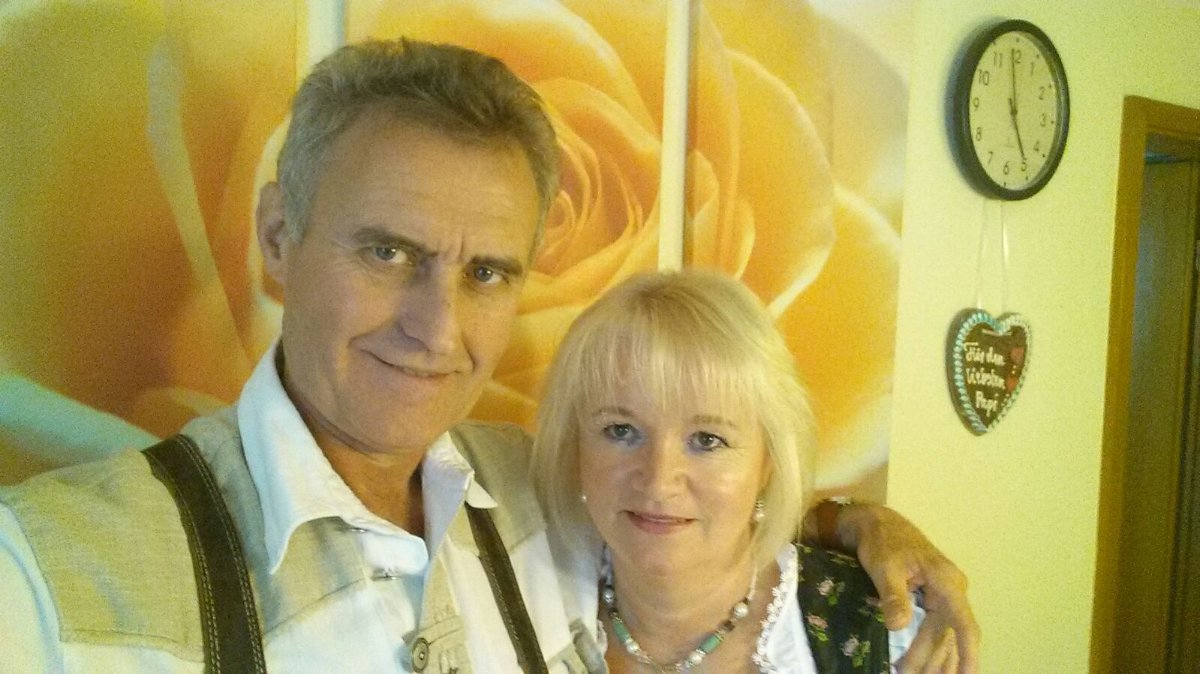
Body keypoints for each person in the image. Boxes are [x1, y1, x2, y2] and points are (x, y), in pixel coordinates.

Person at [0, 38, 977, 672]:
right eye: (389, 253)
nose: (436, 327)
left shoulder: (535, 489)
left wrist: (857, 522)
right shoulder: (46, 575)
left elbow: (696, 503)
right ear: (278, 237)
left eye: (487, 272)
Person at [534, 269, 950, 673]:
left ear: (769, 461)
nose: (659, 482)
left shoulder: (893, 641)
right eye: (621, 430)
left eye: (707, 440)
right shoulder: (529, 598)